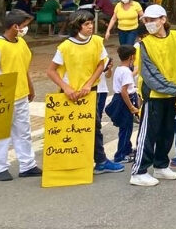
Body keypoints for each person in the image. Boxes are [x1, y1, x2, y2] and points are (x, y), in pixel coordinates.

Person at [46, 10, 125, 175]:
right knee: (68, 129)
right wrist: (67, 88)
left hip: (89, 92)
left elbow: (100, 64)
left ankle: (101, 161)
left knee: (93, 126)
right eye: (87, 24)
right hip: (68, 93)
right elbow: (51, 71)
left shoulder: (96, 41)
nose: (91, 27)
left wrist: (89, 84)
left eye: (91, 23)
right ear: (77, 26)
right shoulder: (65, 46)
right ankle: (68, 162)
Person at [129, 4, 176, 186]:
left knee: (167, 132)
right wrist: (173, 88)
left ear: (163, 20)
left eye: (152, 20)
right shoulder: (144, 45)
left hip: (173, 96)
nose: (148, 23)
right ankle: (139, 171)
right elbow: (150, 75)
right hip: (155, 96)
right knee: (148, 133)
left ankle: (161, 165)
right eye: (146, 20)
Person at [0, 10, 41, 181]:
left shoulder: (21, 43)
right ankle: (0, 168)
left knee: (23, 131)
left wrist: (30, 87)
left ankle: (27, 165)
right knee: (2, 133)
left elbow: (23, 67)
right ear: (15, 26)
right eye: (25, 26)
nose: (26, 29)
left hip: (20, 94)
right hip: (3, 96)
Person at [105, 45, 140, 164]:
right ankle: (121, 155)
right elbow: (124, 91)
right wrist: (131, 107)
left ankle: (127, 149)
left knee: (126, 127)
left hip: (120, 99)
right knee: (126, 129)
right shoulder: (125, 72)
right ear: (132, 56)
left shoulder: (120, 69)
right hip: (125, 101)